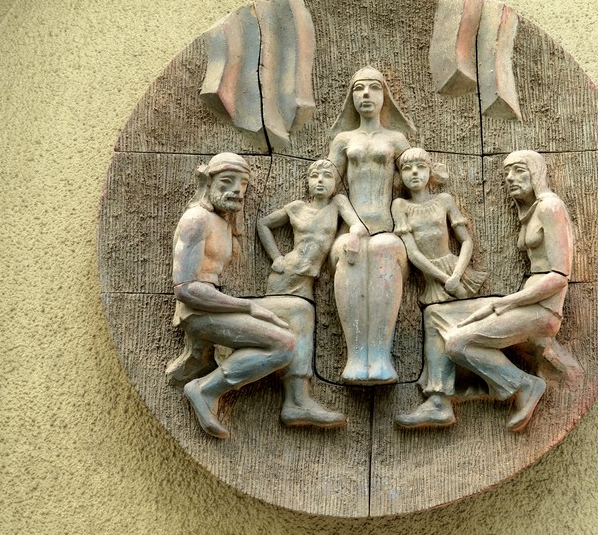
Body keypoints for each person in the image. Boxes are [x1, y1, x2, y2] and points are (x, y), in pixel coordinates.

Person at [396, 150, 581, 431]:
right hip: (526, 302)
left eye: (519, 170)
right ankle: (438, 402)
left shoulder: (550, 207)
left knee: (458, 343)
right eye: (507, 173)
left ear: (536, 173)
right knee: (434, 314)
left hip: (542, 310)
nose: (510, 178)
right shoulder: (532, 210)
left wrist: (508, 302)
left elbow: (558, 277)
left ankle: (524, 385)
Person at [167, 152, 345, 439]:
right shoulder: (196, 219)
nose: (236, 190)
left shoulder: (222, 221)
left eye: (242, 184)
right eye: (227, 182)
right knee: (284, 345)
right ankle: (205, 389)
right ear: (208, 183)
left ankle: (297, 401)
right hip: (199, 313)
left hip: (216, 304)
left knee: (299, 309)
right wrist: (249, 308)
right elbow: (186, 289)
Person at [327, 67, 414, 384]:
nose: (366, 94)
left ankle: (380, 357)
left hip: (387, 231)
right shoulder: (343, 140)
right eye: (358, 88)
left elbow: (415, 173)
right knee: (350, 252)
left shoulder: (396, 139)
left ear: (384, 96)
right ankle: (355, 357)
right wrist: (350, 225)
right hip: (351, 232)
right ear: (351, 98)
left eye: (374, 87)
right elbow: (329, 184)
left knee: (383, 248)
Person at [256, 159, 368, 301]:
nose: (320, 180)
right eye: (314, 176)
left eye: (327, 175)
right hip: (285, 272)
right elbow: (263, 224)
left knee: (301, 313)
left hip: (307, 278)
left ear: (336, 183)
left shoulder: (337, 203)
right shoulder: (297, 207)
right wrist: (276, 257)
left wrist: (354, 237)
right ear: (308, 181)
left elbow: (358, 225)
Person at [391, 147, 487, 305]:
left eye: (421, 166)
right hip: (433, 277)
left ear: (430, 171)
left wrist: (456, 275)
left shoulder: (444, 200)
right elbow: (413, 253)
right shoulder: (400, 205)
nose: (414, 172)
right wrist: (446, 279)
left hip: (458, 270)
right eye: (407, 168)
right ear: (400, 175)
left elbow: (466, 241)